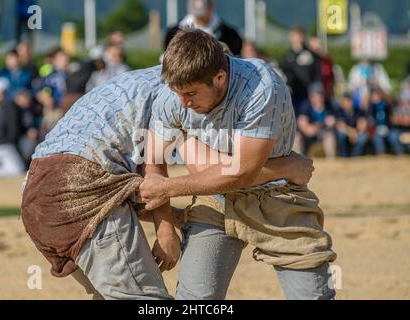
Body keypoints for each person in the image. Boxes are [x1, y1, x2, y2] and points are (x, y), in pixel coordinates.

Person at [21, 56, 316, 299]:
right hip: (78, 191)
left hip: (39, 196)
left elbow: (129, 187)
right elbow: (202, 172)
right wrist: (286, 167)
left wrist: (176, 218)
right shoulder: (177, 98)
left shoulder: (139, 84)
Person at [140, 29, 336, 300]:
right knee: (196, 300)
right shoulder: (172, 96)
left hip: (276, 194)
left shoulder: (259, 86)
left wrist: (169, 188)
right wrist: (164, 230)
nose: (183, 103)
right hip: (213, 199)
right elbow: (153, 164)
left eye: (191, 94)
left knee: (313, 296)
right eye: (178, 93)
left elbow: (243, 171)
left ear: (219, 78)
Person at [165, 0, 243, 56]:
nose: (200, 17)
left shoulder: (230, 34)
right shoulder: (174, 33)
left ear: (211, 7)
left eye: (202, 14)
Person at [281, 26, 321, 116]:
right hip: (292, 93)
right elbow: (285, 72)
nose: (296, 38)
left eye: (299, 36)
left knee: (305, 117)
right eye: (294, 36)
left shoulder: (309, 54)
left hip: (307, 94)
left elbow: (317, 73)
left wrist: (316, 91)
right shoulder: (288, 55)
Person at [296, 82, 336, 158]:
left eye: (321, 94)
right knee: (297, 138)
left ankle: (331, 162)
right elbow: (302, 123)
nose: (320, 97)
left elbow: (332, 121)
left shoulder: (328, 105)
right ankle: (299, 161)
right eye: (317, 94)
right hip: (308, 135)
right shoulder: (306, 105)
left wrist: (316, 127)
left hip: (323, 132)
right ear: (311, 96)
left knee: (330, 137)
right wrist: (309, 128)